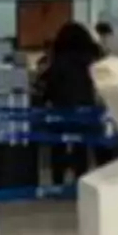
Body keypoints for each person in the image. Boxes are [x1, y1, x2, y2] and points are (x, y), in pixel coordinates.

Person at [36, 22, 105, 185]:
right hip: (86, 111)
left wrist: (44, 99)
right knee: (82, 148)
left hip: (61, 110)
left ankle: (58, 182)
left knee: (58, 147)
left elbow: (48, 85)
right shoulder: (91, 60)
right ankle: (81, 180)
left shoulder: (59, 60)